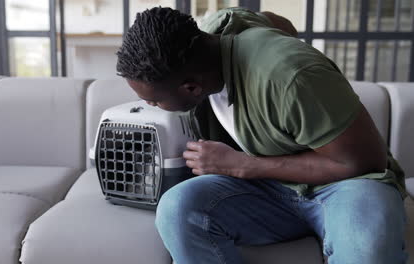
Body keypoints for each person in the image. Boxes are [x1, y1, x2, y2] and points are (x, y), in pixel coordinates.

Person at [116, 6, 407, 264]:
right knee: (177, 208)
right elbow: (276, 23)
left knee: (368, 247)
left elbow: (364, 162)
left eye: (154, 101)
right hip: (269, 190)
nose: (150, 106)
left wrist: (243, 165)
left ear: (192, 87)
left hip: (346, 184)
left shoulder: (291, 76)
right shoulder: (212, 34)